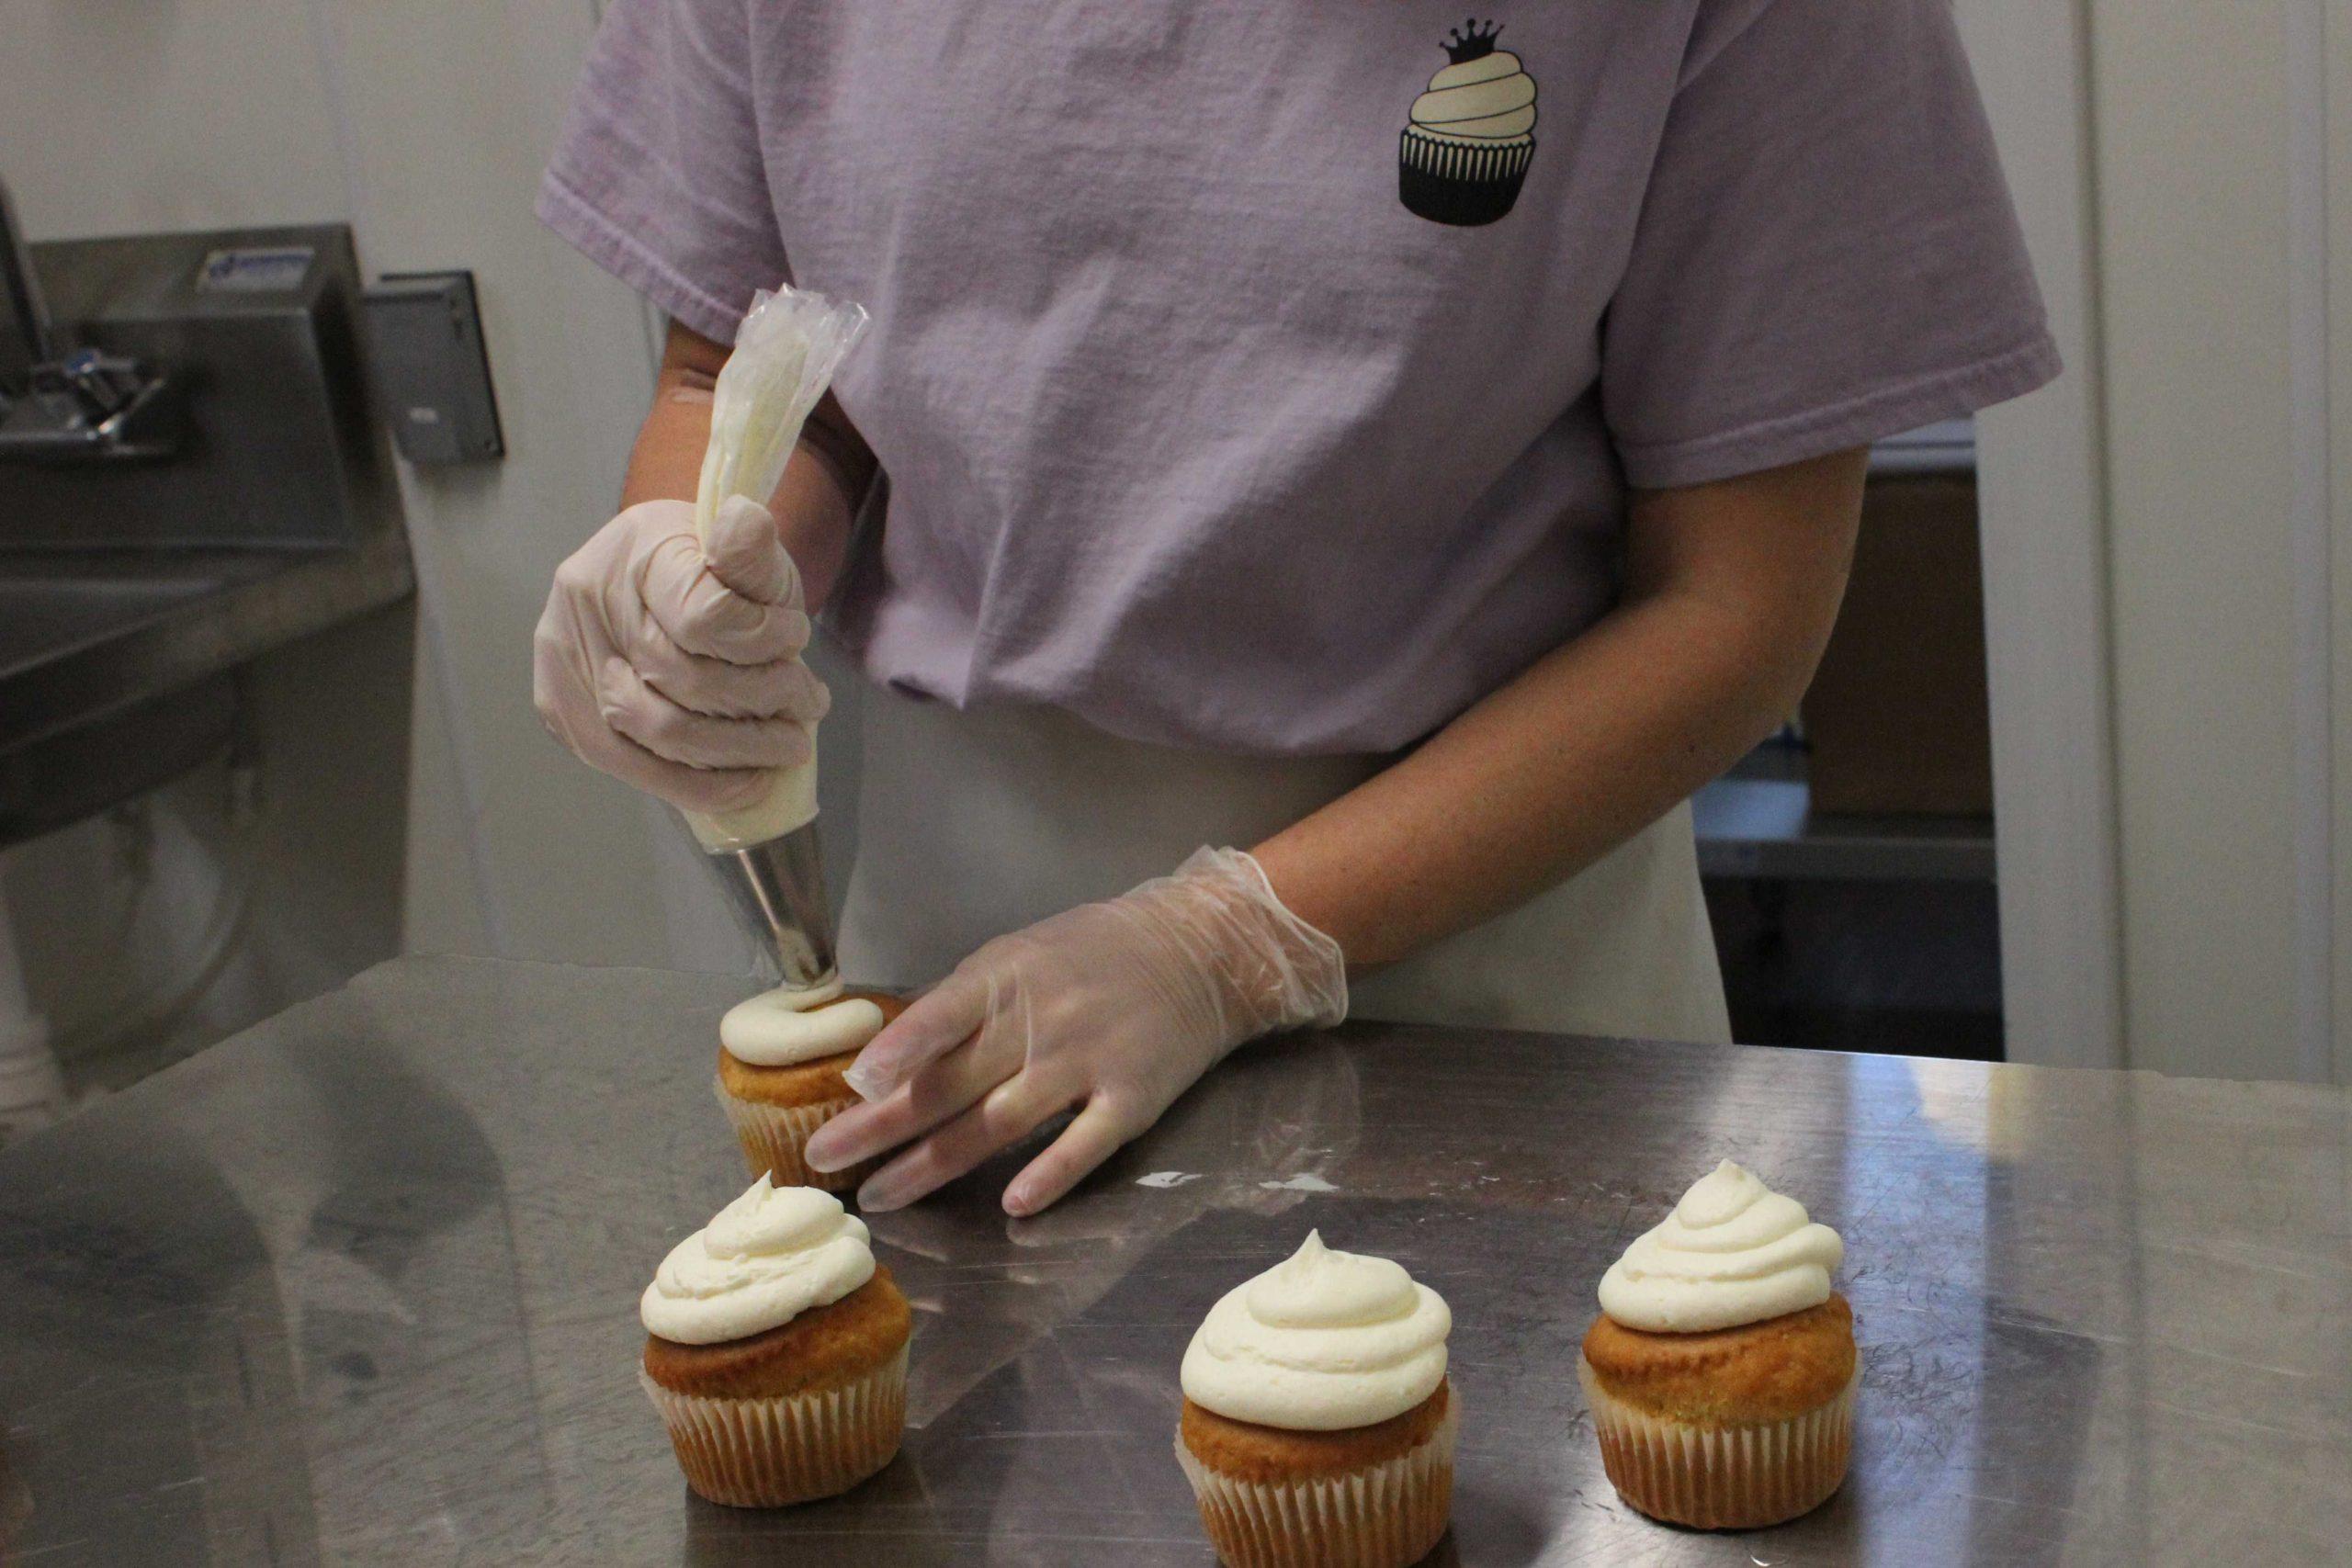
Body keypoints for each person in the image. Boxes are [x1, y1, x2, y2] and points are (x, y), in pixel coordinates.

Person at [532, 2, 2057, 1217]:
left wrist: (1225, 943)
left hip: (1484, 961)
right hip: (957, 966)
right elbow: (754, 365)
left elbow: (1734, 601)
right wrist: (697, 568)